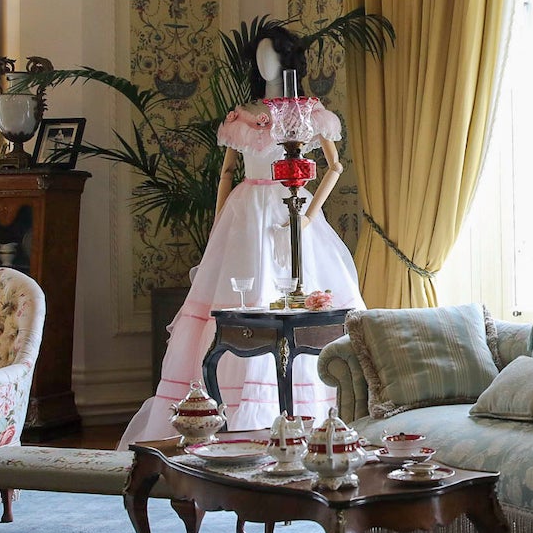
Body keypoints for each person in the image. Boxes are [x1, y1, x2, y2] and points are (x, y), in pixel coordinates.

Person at [121, 27, 364, 440]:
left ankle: (306, 417)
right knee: (241, 306)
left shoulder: (308, 112)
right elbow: (228, 171)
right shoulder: (242, 116)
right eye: (259, 56)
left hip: (293, 210)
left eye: (271, 55)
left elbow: (334, 166)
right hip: (244, 215)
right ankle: (227, 416)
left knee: (298, 299)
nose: (263, 63)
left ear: (288, 60)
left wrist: (308, 216)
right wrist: (220, 226)